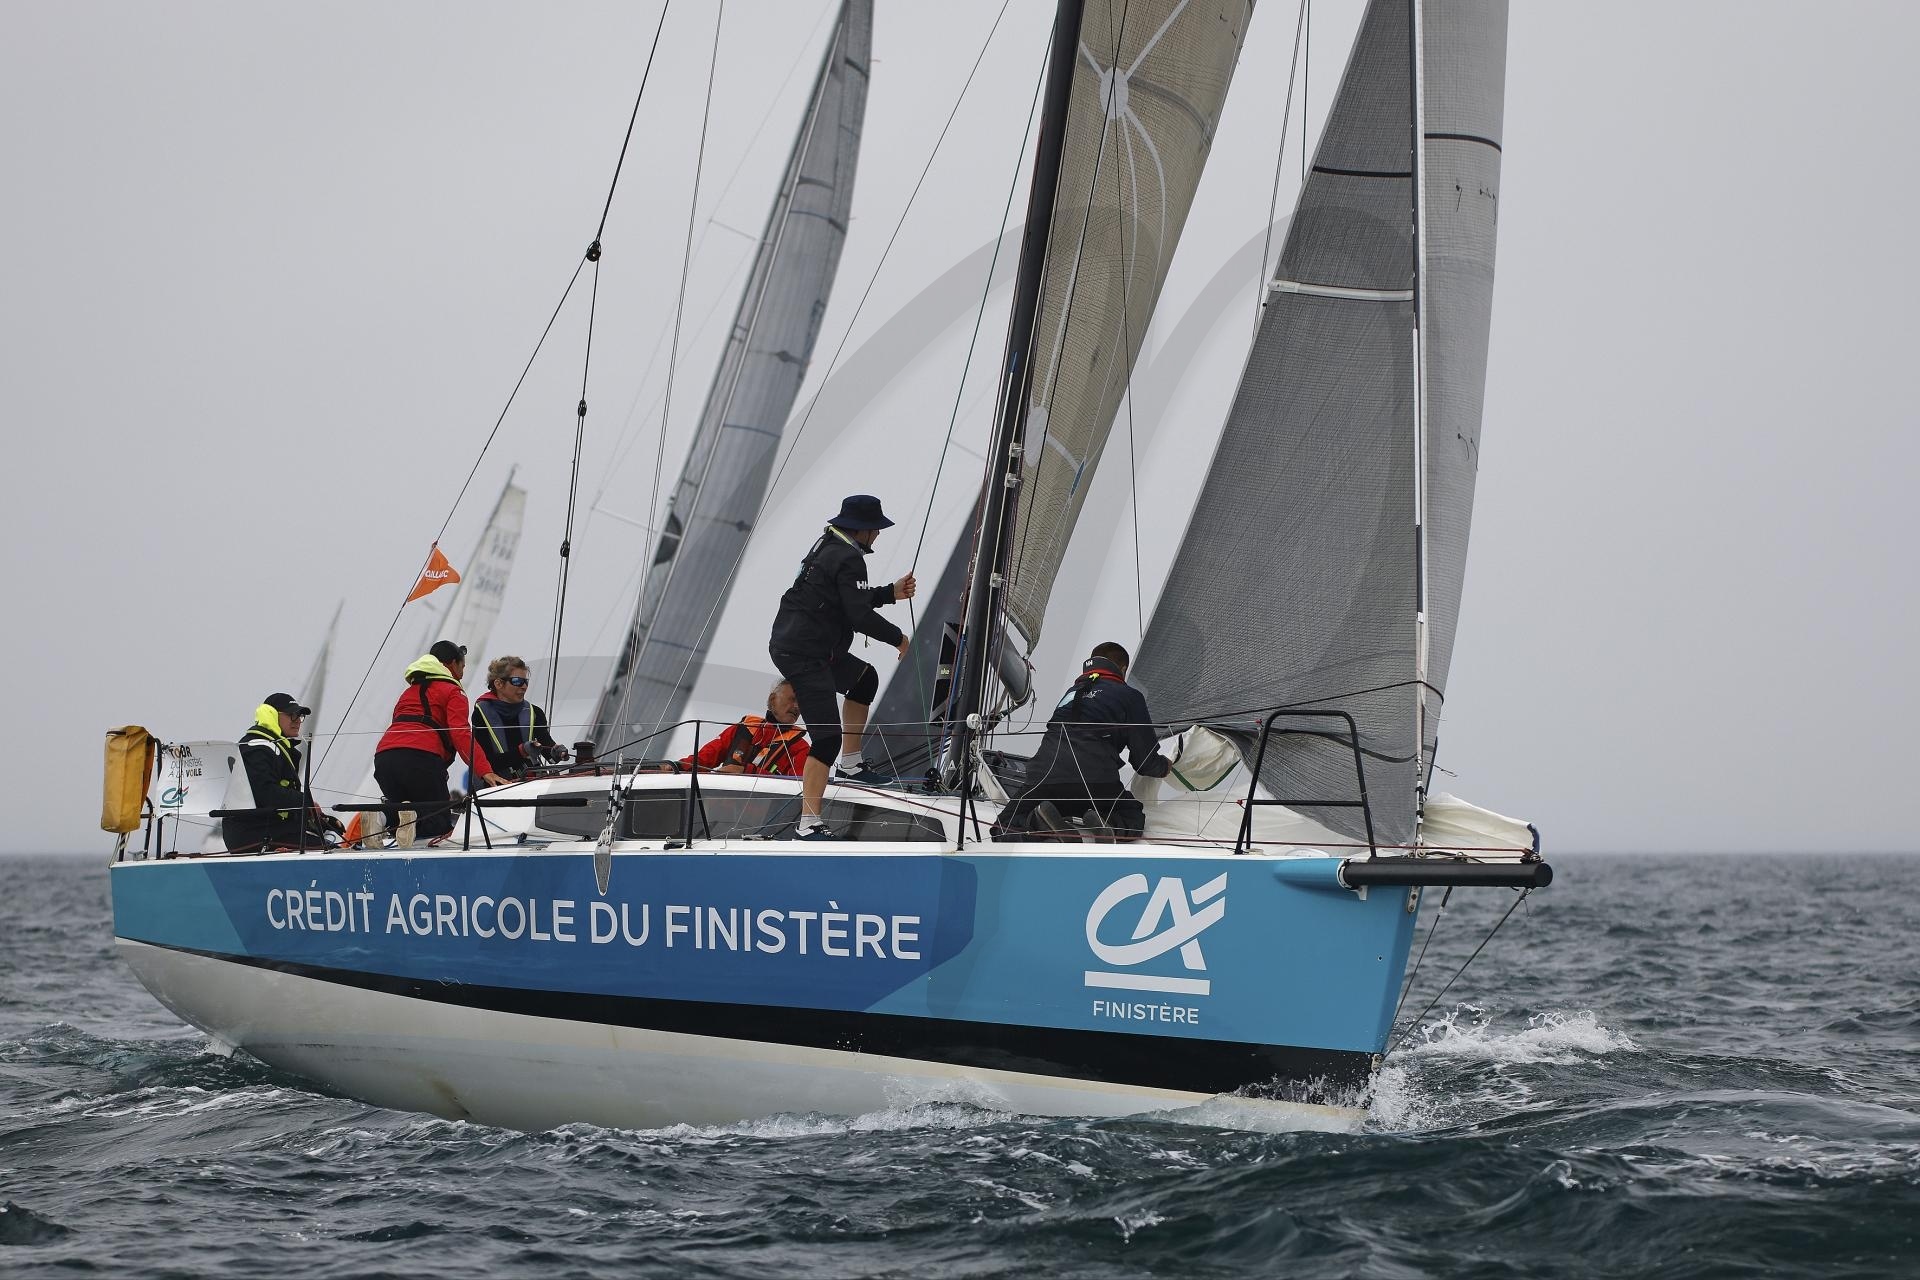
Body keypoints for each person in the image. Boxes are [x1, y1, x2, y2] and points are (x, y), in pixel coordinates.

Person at [768, 494, 916, 839]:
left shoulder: (829, 545)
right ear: (862, 530)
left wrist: (890, 593)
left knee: (864, 679)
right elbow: (858, 615)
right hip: (805, 653)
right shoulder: (849, 557)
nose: (877, 535)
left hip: (809, 646)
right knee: (826, 738)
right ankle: (808, 825)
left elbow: (846, 599)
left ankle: (851, 765)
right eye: (876, 529)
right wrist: (899, 639)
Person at [992, 641, 1170, 841]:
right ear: (1123, 669)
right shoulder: (1130, 696)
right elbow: (1145, 762)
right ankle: (1107, 825)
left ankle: (1038, 824)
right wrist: (1165, 766)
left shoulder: (1071, 693)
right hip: (1097, 787)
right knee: (1132, 815)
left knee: (1003, 826)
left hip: (1044, 780)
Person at [372, 640, 505, 843]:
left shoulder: (408, 693)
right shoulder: (453, 691)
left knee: (408, 813)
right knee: (438, 823)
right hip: (421, 758)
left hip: (384, 758)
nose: (463, 673)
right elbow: (460, 733)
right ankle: (395, 819)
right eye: (462, 666)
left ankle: (383, 816)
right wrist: (485, 770)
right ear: (451, 664)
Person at [222, 693, 338, 852]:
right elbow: (265, 793)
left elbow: (279, 802)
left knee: (329, 846)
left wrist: (312, 816)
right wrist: (305, 802)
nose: (298, 721)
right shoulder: (256, 747)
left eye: (300, 716)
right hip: (254, 834)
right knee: (328, 849)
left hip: (272, 830)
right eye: (292, 715)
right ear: (271, 715)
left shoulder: (272, 747)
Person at [662, 680, 809, 776]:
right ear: (772, 699)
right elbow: (707, 757)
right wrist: (677, 766)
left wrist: (746, 771)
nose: (797, 706)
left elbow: (797, 786)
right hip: (715, 806)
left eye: (801, 702)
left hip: (764, 814)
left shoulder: (801, 748)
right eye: (792, 699)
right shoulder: (744, 728)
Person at [472, 655, 568, 780]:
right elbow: (484, 761)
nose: (524, 686)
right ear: (499, 684)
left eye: (525, 681)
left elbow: (547, 749)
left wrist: (557, 752)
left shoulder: (535, 713)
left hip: (530, 782)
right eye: (517, 681)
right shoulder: (481, 714)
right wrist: (521, 751)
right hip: (497, 784)